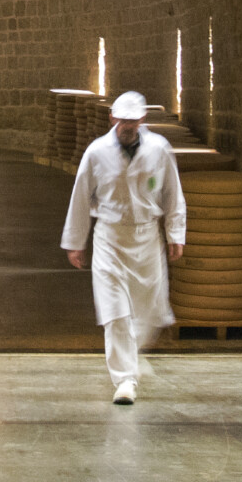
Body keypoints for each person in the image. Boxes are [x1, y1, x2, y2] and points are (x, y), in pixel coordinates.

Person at [61, 91, 186, 404]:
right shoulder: (96, 152)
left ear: (142, 120)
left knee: (149, 308)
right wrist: (76, 241)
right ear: (112, 118)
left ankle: (132, 355)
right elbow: (80, 197)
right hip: (110, 239)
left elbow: (172, 193)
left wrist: (175, 232)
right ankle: (125, 379)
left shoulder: (159, 149)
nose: (128, 126)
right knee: (115, 311)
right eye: (123, 121)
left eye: (134, 121)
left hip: (146, 238)